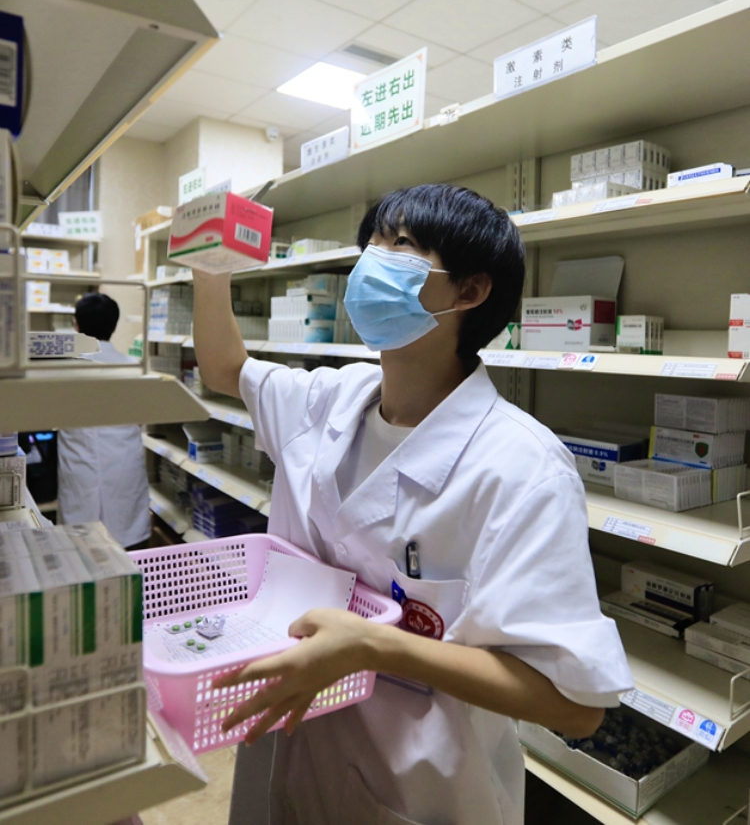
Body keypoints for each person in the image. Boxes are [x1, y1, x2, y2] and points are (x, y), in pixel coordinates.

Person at [192, 184, 633, 825]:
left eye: (400, 245)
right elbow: (224, 367)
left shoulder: (520, 467)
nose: (371, 260)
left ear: (470, 291)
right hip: (287, 751)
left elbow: (575, 704)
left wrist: (378, 647)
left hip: (420, 792)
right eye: (371, 242)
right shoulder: (327, 398)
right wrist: (211, 265)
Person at [57, 293, 151, 550]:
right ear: (115, 325)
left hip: (79, 468)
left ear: (76, 325)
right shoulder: (134, 367)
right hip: (123, 465)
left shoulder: (61, 369)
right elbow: (142, 419)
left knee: (80, 550)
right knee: (128, 550)